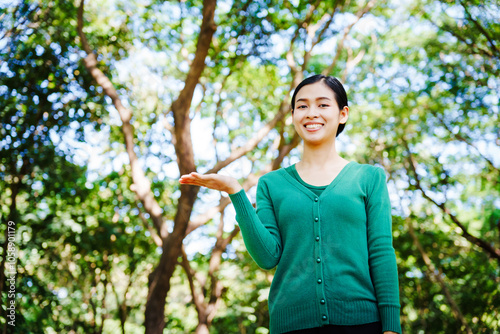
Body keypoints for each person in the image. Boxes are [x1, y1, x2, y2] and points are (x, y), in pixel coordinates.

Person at [179, 74, 401, 334]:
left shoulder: (369, 178)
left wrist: (391, 327)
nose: (311, 113)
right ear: (294, 114)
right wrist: (235, 192)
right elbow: (267, 256)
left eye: (322, 104)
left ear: (343, 114)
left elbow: (381, 252)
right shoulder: (271, 184)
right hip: (290, 326)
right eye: (302, 106)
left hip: (362, 323)